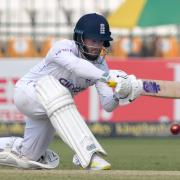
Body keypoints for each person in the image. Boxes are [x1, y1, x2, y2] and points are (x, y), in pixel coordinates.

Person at [0, 13, 143, 170]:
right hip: (28, 93)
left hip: (52, 109)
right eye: (93, 40)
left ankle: (16, 147)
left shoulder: (100, 65)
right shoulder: (63, 47)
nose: (97, 46)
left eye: (101, 41)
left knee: (29, 158)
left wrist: (120, 94)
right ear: (80, 37)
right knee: (60, 94)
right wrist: (109, 77)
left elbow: (108, 105)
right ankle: (89, 155)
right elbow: (76, 66)